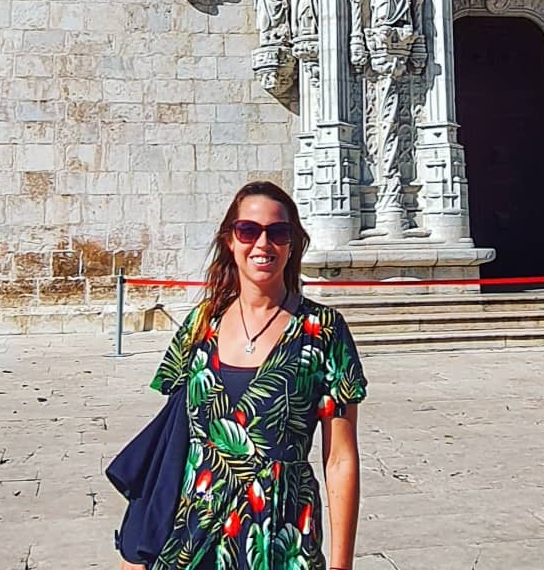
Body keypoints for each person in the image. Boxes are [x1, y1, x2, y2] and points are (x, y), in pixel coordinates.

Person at [120, 181, 366, 570]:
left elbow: (339, 458)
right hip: (191, 539)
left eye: (278, 232)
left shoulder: (324, 330)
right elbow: (172, 446)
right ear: (230, 241)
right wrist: (137, 548)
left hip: (281, 540)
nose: (262, 244)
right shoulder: (201, 325)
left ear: (293, 244)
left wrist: (341, 565)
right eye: (248, 230)